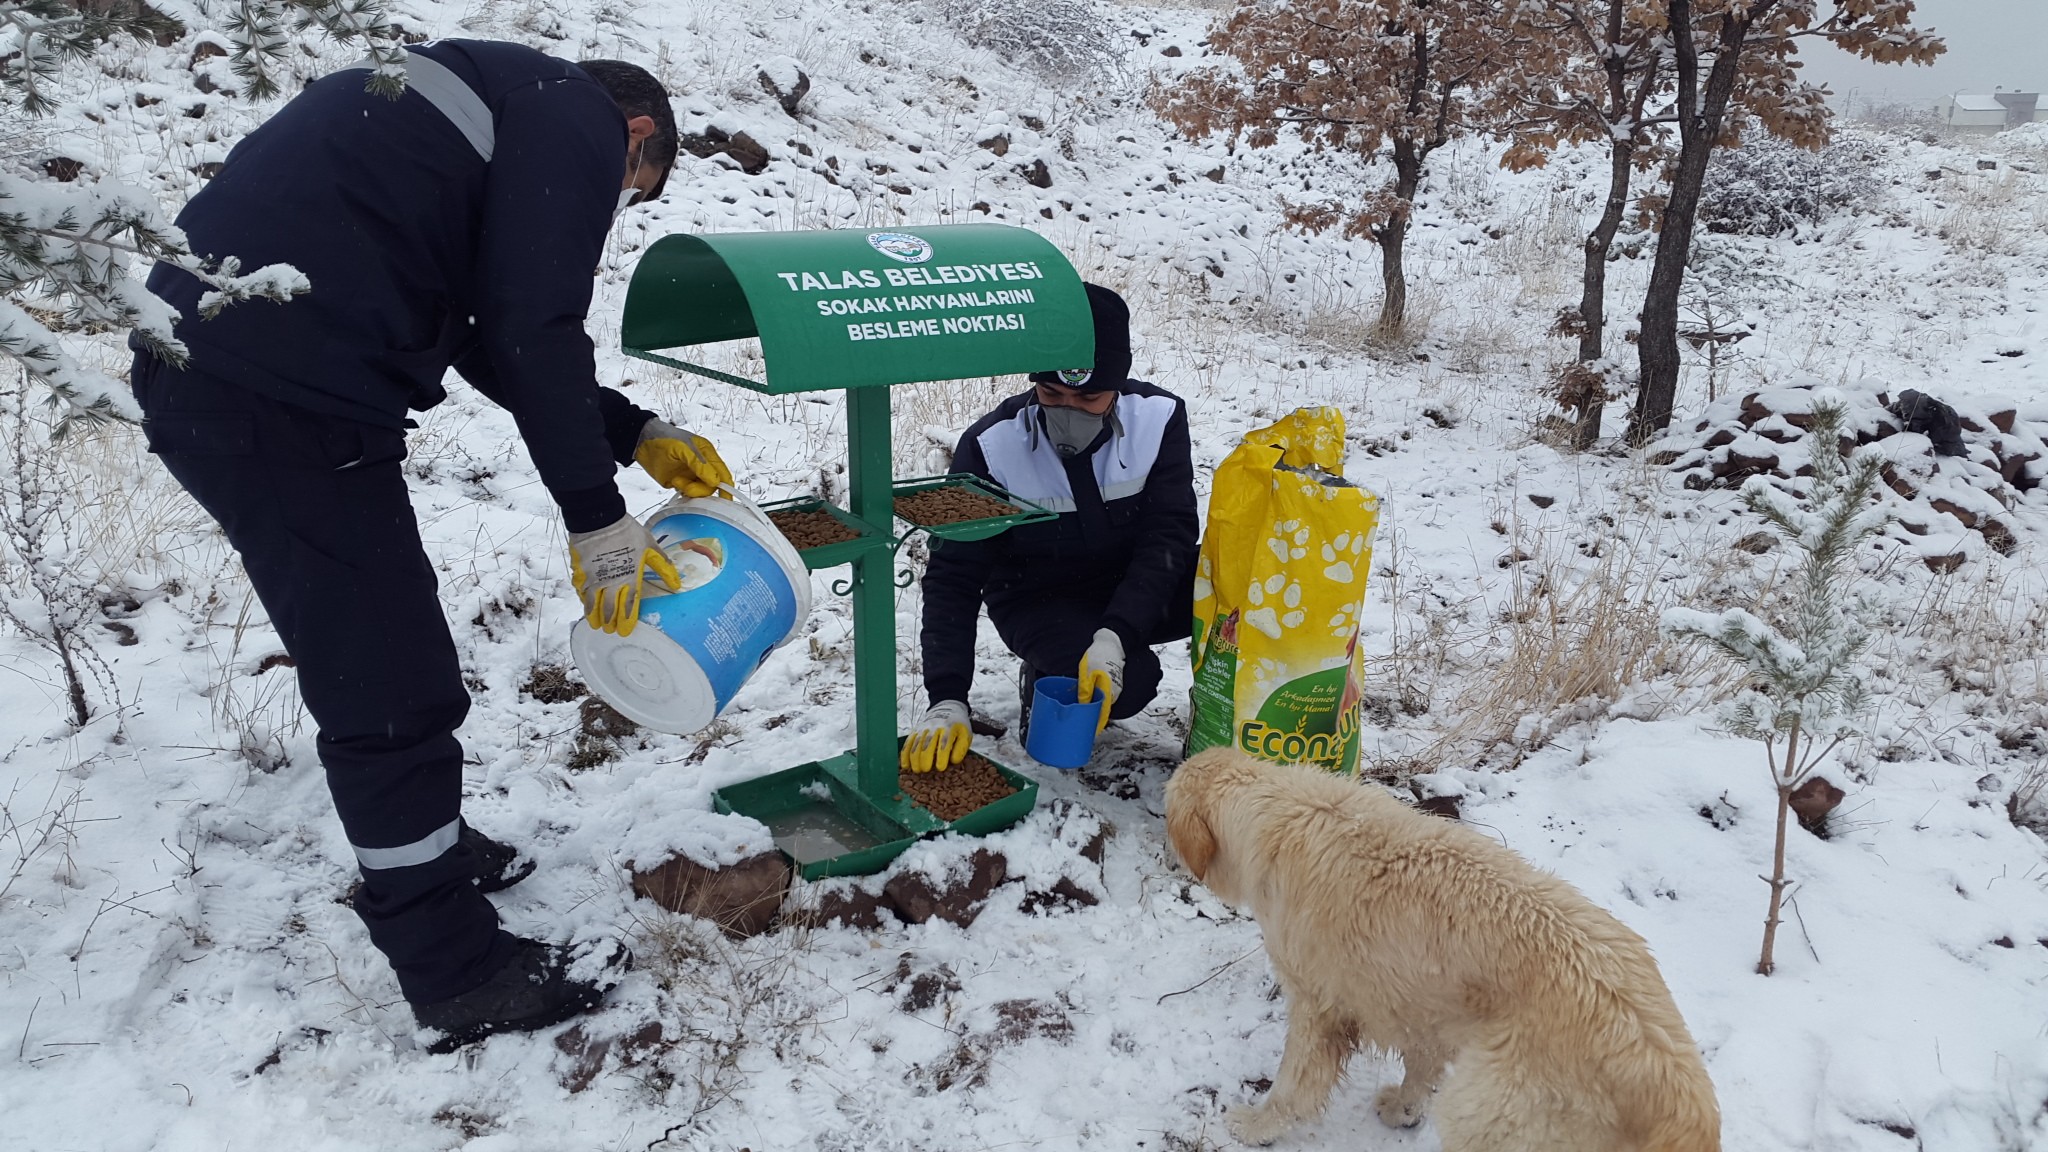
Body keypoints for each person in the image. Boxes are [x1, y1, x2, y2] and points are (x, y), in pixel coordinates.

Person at [129, 40, 727, 1050]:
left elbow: (492, 328)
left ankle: (426, 852)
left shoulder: (475, 106)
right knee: (391, 688)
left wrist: (631, 432)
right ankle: (451, 968)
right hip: (276, 397)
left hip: (243, 375)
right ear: (636, 136)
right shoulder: (571, 116)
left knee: (388, 660)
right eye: (636, 186)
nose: (615, 202)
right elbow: (536, 325)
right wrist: (596, 517)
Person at [902, 284, 1199, 772]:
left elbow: (1168, 535)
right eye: (1050, 394)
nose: (1068, 413)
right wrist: (948, 697)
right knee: (1129, 687)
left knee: (1253, 593)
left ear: (1118, 384)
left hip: (1139, 582)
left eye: (1089, 398)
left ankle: (1242, 721)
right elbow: (954, 575)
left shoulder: (1159, 419)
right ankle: (1045, 673)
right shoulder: (991, 447)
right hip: (1041, 597)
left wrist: (1117, 633)